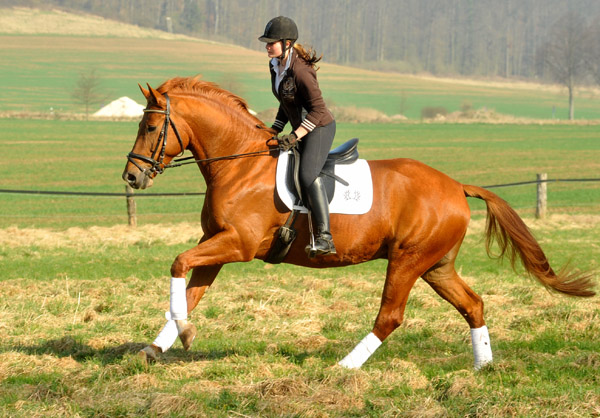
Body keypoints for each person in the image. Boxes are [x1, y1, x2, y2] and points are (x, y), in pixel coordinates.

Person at [258, 16, 337, 257]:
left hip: (319, 127)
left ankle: (325, 237)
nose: (267, 46)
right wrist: (275, 128)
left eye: (272, 42)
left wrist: (297, 134)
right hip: (299, 128)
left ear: (288, 43)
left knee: (307, 174)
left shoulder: (301, 71)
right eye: (267, 42)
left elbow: (319, 110)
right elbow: (286, 101)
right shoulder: (276, 66)